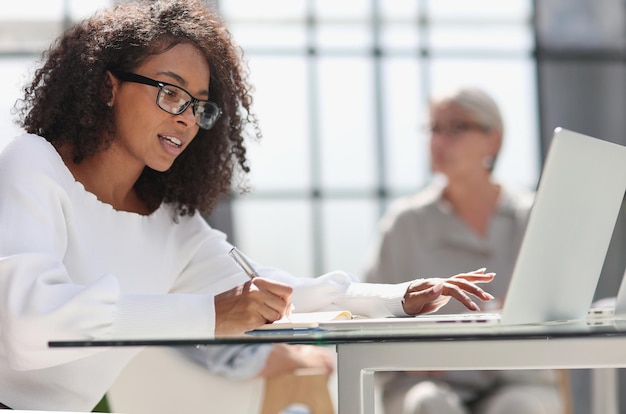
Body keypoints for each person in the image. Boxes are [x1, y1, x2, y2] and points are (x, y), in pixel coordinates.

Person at [0, 1, 496, 411]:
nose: (186, 120)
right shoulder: (35, 164)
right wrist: (207, 314)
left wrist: (396, 297)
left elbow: (273, 293)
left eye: (198, 105)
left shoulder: (171, 223)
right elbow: (29, 326)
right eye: (170, 93)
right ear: (108, 86)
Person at [363, 87, 563, 414]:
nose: (438, 141)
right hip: (424, 382)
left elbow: (559, 311)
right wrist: (408, 358)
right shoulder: (404, 224)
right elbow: (368, 310)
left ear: (493, 141)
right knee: (430, 404)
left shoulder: (534, 218)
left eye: (456, 128)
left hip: (516, 379)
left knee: (520, 407)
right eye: (433, 129)